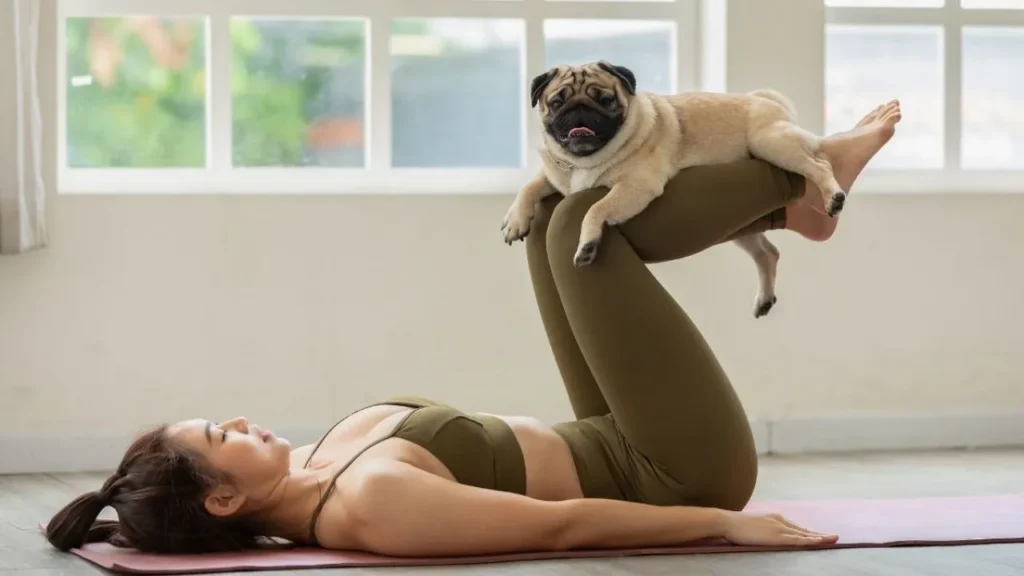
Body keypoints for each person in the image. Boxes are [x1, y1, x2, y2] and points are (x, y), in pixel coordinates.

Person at [45, 101, 902, 557]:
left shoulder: (313, 466)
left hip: (612, 432)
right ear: (225, 498)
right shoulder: (367, 509)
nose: (234, 419)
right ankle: (798, 187)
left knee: (560, 217)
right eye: (217, 437)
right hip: (673, 472)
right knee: (576, 230)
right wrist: (721, 522)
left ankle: (794, 204)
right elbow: (561, 530)